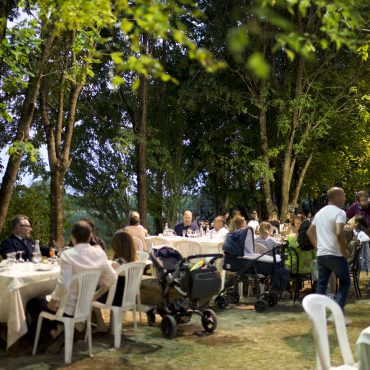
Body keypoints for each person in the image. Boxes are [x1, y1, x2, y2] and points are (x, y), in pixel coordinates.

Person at [27, 221, 117, 352]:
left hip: (68, 307)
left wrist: (54, 301)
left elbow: (64, 285)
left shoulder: (68, 255)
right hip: (85, 306)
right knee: (45, 302)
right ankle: (60, 331)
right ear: (90, 236)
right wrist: (93, 297)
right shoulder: (100, 253)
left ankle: (54, 332)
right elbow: (112, 278)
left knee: (33, 303)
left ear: (73, 237)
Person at [306, 187, 351, 314]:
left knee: (321, 285)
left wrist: (318, 247)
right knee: (346, 282)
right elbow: (339, 233)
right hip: (336, 254)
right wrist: (344, 251)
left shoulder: (319, 213)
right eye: (343, 196)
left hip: (322, 255)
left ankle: (317, 315)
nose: (345, 198)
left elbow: (310, 232)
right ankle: (336, 314)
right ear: (336, 197)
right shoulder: (340, 212)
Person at [93, 230, 138, 333]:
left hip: (115, 299)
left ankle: (100, 325)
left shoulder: (116, 264)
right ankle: (103, 325)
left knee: (90, 295)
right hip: (127, 297)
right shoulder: (135, 261)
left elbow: (107, 282)